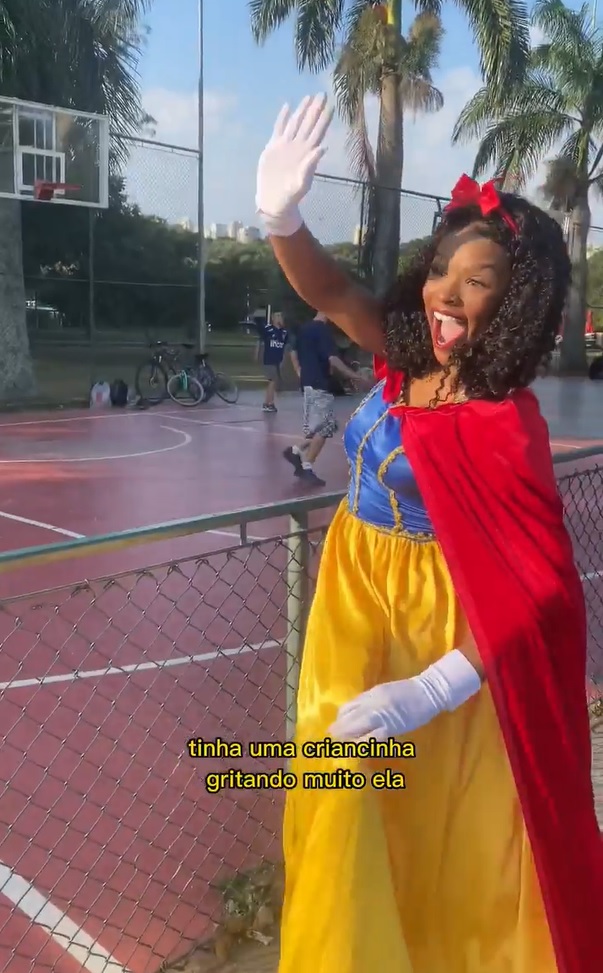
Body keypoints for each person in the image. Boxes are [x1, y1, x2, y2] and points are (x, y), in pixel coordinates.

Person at [255, 93, 603, 973]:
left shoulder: (502, 420)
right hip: (354, 594)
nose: (445, 293)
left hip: (442, 625)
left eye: (476, 281)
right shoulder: (404, 355)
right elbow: (329, 289)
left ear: (514, 304)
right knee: (340, 799)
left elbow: (542, 588)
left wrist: (433, 688)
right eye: (442, 269)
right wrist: (280, 216)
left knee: (441, 818)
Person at [285, 311, 370, 487]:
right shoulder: (322, 331)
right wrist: (355, 376)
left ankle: (298, 455)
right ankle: (304, 463)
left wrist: (301, 372)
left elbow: (295, 353)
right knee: (325, 428)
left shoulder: (304, 330)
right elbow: (333, 359)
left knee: (320, 426)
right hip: (319, 384)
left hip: (308, 383)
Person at [252, 307, 289, 412]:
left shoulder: (284, 332)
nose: (279, 318)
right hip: (269, 359)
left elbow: (285, 346)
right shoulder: (268, 329)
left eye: (280, 316)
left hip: (278, 360)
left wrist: (283, 359)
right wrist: (256, 353)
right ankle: (270, 403)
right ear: (273, 318)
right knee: (272, 380)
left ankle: (267, 402)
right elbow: (260, 338)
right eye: (277, 316)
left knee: (273, 382)